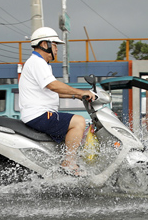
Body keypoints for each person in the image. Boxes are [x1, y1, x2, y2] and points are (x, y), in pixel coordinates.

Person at [19, 26, 95, 174]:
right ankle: (69, 163)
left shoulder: (42, 64)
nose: (56, 49)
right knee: (79, 121)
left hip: (40, 114)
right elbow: (53, 86)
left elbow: (53, 91)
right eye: (54, 45)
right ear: (44, 44)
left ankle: (64, 162)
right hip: (39, 115)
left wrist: (78, 96)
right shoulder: (37, 62)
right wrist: (80, 92)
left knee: (72, 125)